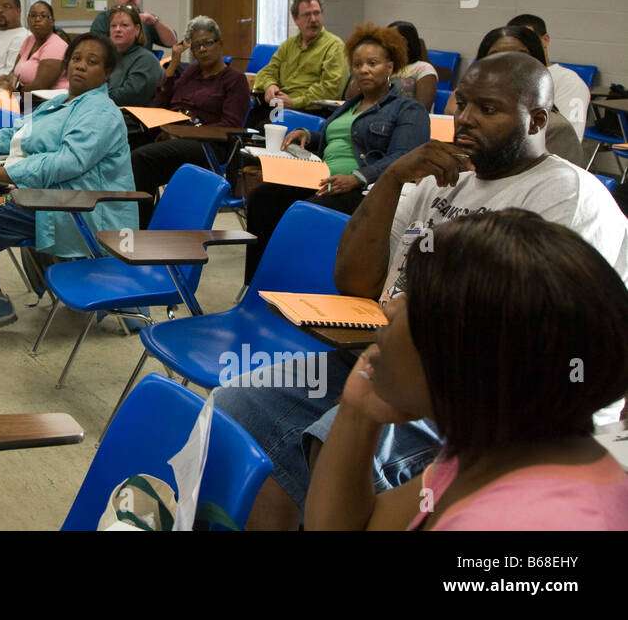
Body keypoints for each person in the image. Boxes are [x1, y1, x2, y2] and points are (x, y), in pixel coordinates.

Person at [217, 51, 628, 531]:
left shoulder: (567, 196)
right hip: (401, 354)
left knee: (328, 442)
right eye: (463, 104)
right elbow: (355, 283)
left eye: (488, 109)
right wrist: (390, 179)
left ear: (536, 120)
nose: (466, 119)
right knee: (236, 404)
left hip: (486, 391)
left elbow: (523, 345)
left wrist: (404, 351)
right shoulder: (443, 178)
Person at [307, 209, 628, 530]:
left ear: (471, 352)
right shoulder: (492, 453)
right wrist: (358, 412)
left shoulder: (527, 520)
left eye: (415, 299)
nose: (390, 307)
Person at [0, 33, 138, 373]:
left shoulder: (100, 112)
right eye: (77, 58)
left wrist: (7, 172)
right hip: (38, 192)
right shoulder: (61, 102)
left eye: (92, 62)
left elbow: (67, 163)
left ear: (107, 73)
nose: (81, 65)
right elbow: (20, 131)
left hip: (75, 207)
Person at [242, 23, 429, 283]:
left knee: (305, 213)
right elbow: (339, 139)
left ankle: (296, 284)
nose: (364, 69)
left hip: (365, 191)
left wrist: (358, 177)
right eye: (358, 64)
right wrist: (310, 136)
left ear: (390, 66)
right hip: (322, 181)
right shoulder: (349, 106)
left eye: (372, 63)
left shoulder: (408, 110)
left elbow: (404, 157)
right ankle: (257, 284)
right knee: (263, 198)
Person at [130, 16, 251, 227]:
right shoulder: (191, 73)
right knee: (128, 143)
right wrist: (173, 64)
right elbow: (160, 104)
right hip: (174, 135)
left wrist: (180, 133)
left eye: (207, 43)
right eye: (196, 46)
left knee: (141, 159)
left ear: (220, 43)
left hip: (208, 146)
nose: (202, 49)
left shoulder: (234, 80)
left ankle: (142, 229)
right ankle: (137, 223)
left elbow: (230, 127)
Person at [444, 26, 583, 164]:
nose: (506, 66)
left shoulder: (556, 128)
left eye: (520, 58)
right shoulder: (467, 115)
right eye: (495, 57)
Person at [248, 0, 347, 128]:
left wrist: (294, 102)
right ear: (295, 19)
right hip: (279, 107)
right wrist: (270, 85)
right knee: (245, 123)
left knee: (262, 128)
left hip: (309, 111)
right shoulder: (289, 45)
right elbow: (266, 72)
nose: (313, 19)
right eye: (307, 15)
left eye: (317, 13)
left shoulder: (334, 46)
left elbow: (331, 89)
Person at [507, 13, 591, 139]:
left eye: (529, 40)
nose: (522, 46)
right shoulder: (506, 77)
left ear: (545, 40)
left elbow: (570, 138)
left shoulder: (569, 82)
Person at [346, 21, 435, 110]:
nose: (383, 41)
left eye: (389, 37)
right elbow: (349, 99)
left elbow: (421, 109)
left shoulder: (423, 69)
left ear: (404, 41)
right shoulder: (377, 66)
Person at [0, 0, 68, 92]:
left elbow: (40, 87)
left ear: (52, 21)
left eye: (43, 16)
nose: (37, 19)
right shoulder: (29, 40)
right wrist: (12, 79)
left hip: (44, 102)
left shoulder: (56, 46)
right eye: (33, 15)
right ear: (28, 20)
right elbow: (13, 72)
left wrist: (16, 89)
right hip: (24, 97)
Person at [88, 0, 177, 48]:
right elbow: (95, 47)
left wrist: (155, 21)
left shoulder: (147, 19)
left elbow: (172, 43)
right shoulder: (104, 18)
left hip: (142, 64)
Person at [105, 5, 164, 108]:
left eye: (124, 25)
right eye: (113, 26)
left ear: (137, 30)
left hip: (132, 120)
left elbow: (127, 98)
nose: (117, 29)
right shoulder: (106, 58)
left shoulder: (146, 60)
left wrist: (93, 99)